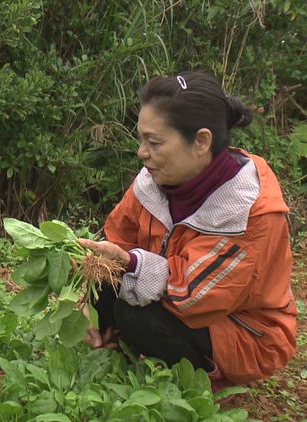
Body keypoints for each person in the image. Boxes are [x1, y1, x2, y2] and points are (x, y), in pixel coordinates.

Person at [79, 71, 297, 388]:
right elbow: (116, 239)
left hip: (246, 330)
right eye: (141, 139)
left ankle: (200, 382)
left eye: (154, 142)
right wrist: (85, 298)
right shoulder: (154, 182)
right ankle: (113, 352)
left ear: (201, 141)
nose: (142, 152)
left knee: (135, 314)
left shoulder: (251, 216)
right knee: (104, 271)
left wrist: (131, 264)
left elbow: (192, 296)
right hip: (181, 294)